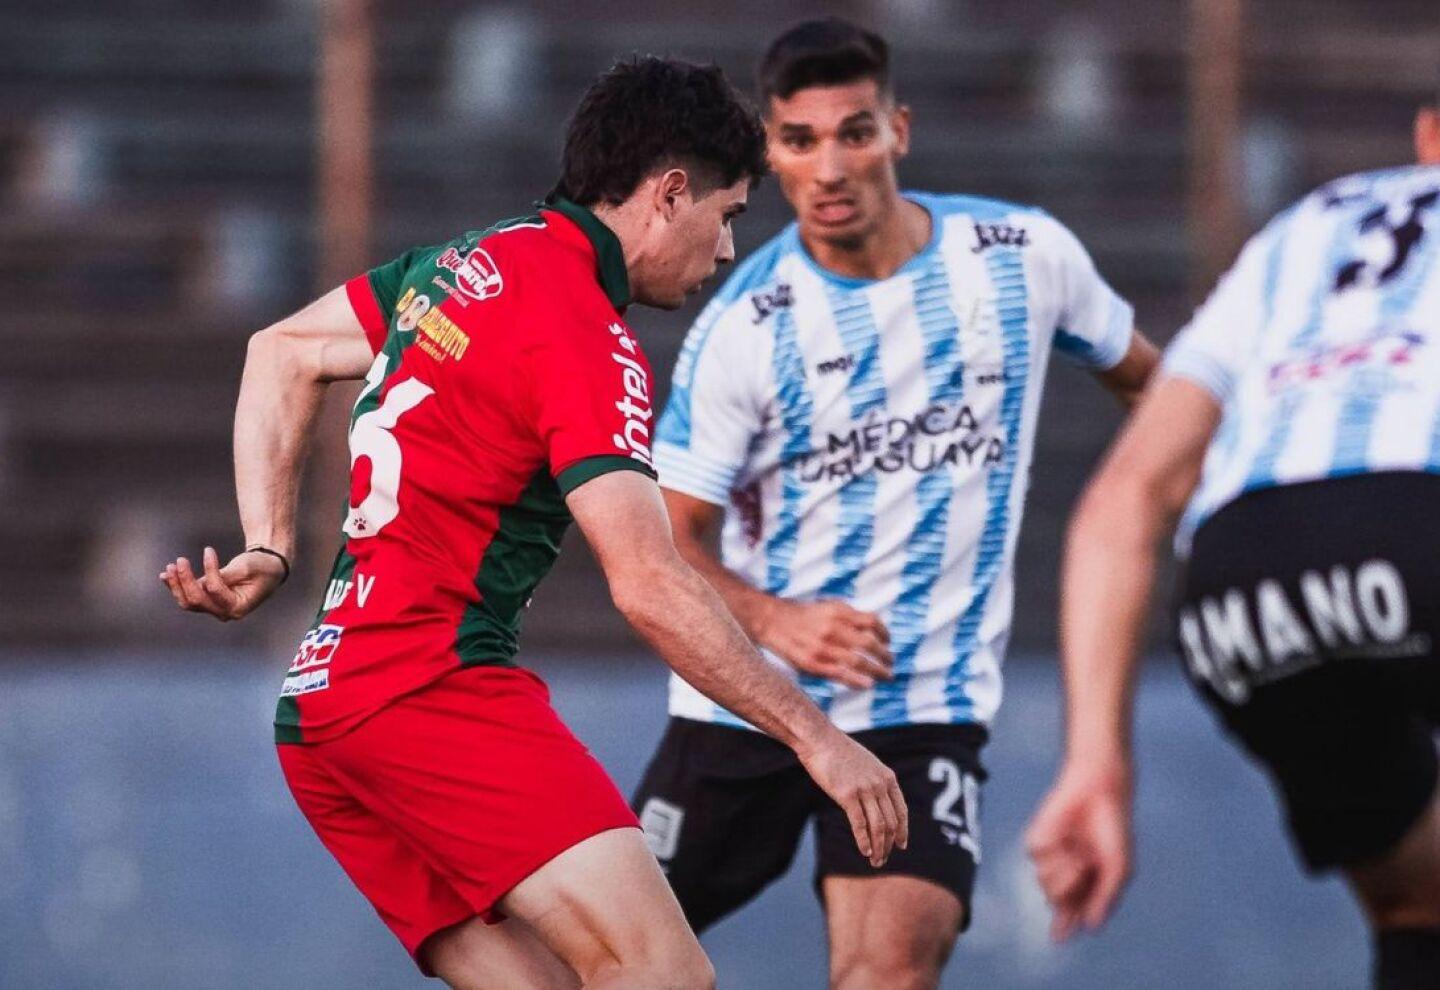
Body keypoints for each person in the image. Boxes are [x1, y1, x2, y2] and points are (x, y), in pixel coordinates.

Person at [159, 56, 909, 990]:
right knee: (663, 975)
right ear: (670, 194)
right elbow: (647, 581)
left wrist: (270, 542)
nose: (723, 254)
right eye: (728, 218)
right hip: (428, 689)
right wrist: (817, 740)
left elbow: (285, 350)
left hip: (321, 711)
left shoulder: (468, 262)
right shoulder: (584, 332)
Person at [630, 18, 1159, 990]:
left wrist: (1185, 487)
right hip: (746, 707)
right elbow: (667, 543)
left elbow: (1159, 392)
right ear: (771, 153)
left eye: (855, 132)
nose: (830, 167)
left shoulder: (1025, 258)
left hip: (920, 705)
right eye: (799, 140)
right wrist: (777, 621)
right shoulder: (745, 328)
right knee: (603, 967)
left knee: (891, 973)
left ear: (899, 132)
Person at [1024, 86, 1440, 989]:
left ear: (1426, 136)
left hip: (1243, 582)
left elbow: (1124, 498)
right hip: (1421, 530)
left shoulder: (1308, 228)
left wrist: (1095, 762)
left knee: (1416, 897)